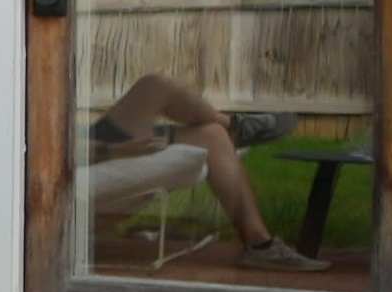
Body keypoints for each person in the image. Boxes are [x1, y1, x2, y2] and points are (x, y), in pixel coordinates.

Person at [86, 72, 316, 270]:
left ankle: (260, 246)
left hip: (82, 141)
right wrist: (111, 150)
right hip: (84, 152)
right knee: (154, 86)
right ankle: (236, 128)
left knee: (212, 134)